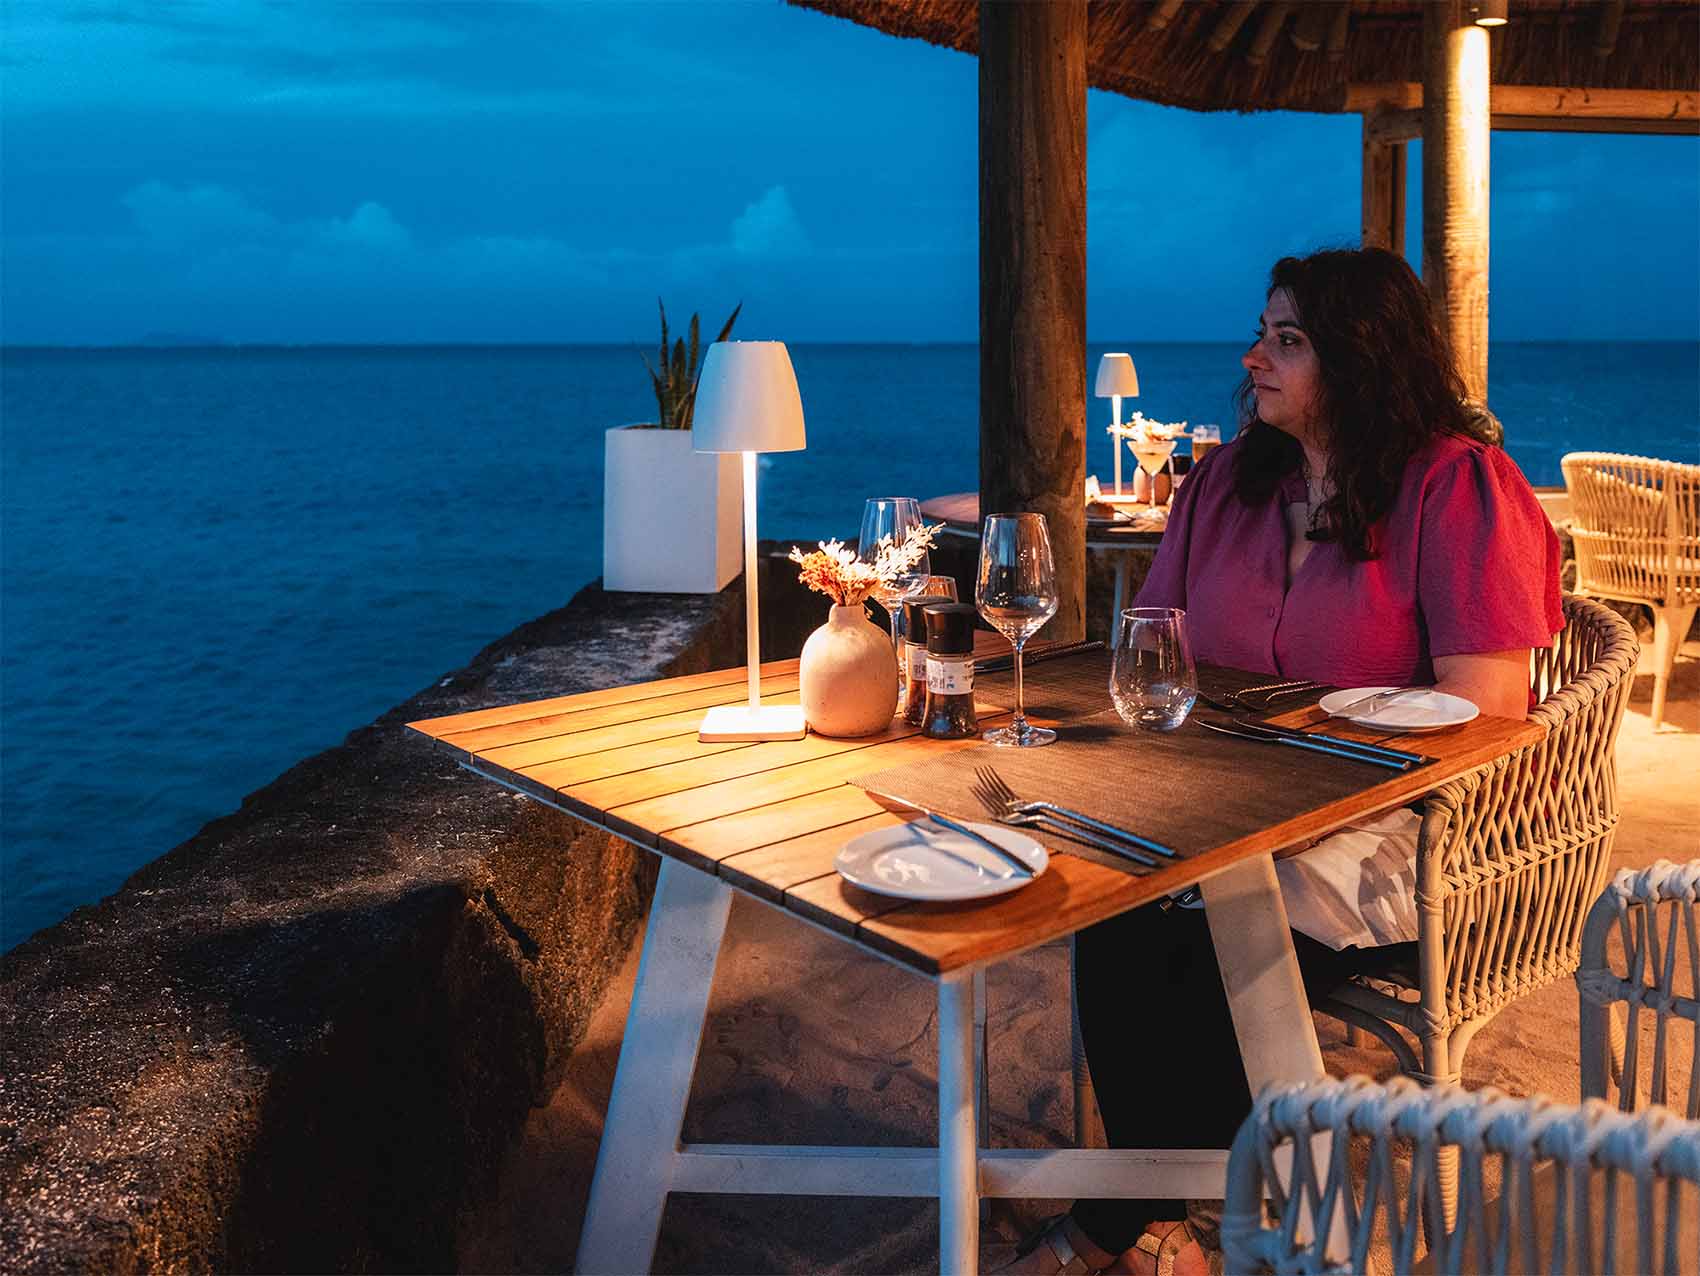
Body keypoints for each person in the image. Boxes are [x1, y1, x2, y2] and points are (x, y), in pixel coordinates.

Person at [1001, 248, 1562, 1276]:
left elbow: (1484, 710)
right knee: (1108, 893)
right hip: (1220, 796)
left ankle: (1115, 1218)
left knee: (1187, 928)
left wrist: (1306, 749)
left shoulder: (1453, 486)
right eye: (1262, 333)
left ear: (1361, 359)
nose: (1253, 356)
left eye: (1286, 341)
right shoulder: (1224, 484)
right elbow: (1151, 645)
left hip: (1394, 826)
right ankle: (1166, 1198)